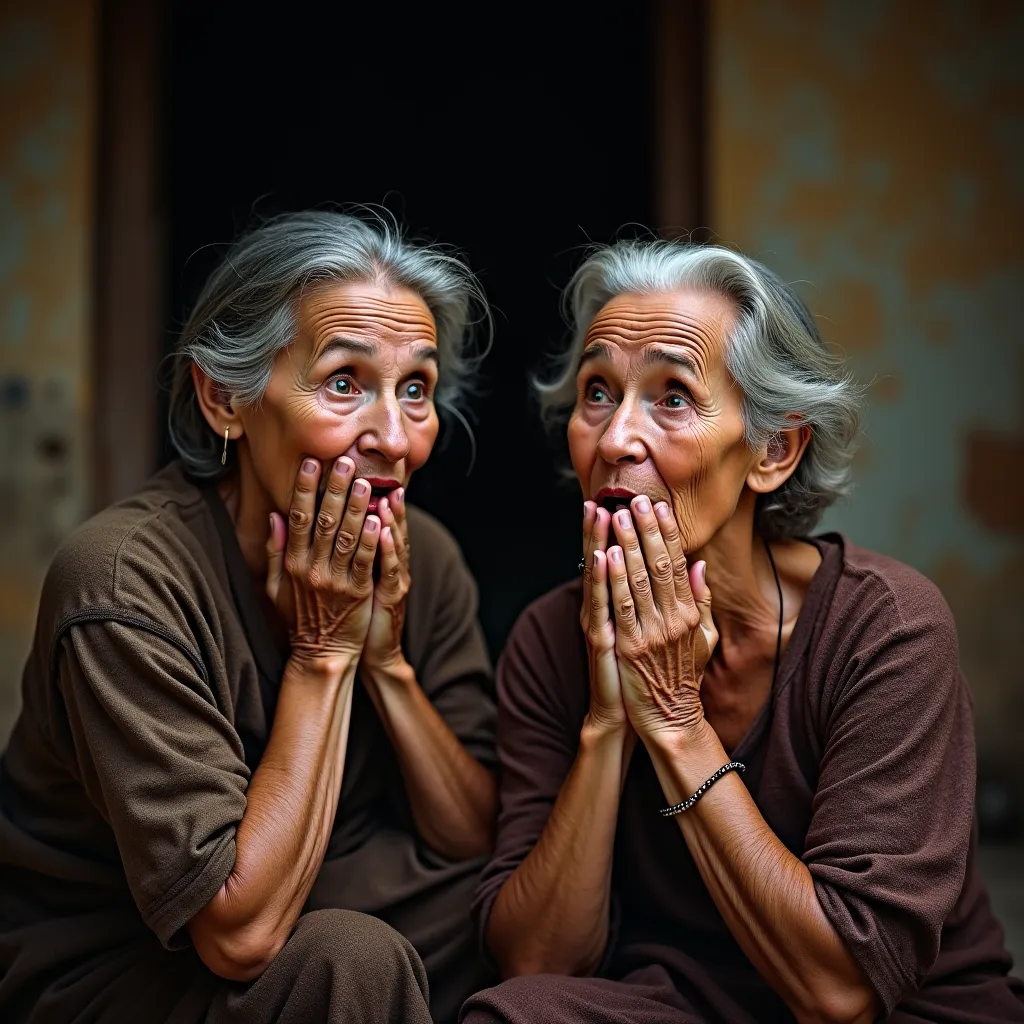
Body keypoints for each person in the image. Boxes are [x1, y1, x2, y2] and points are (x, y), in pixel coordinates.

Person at [464, 239, 1024, 1023]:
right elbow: (537, 958)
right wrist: (608, 723)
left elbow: (842, 992)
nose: (616, 437)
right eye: (597, 392)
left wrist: (674, 719)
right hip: (680, 1001)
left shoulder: (885, 628)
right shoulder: (551, 639)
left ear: (772, 451)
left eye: (672, 397)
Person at [0, 211, 498, 1024]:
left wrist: (386, 665)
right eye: (344, 382)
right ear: (225, 397)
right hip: (111, 959)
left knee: (513, 910)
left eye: (416, 390)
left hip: (323, 887)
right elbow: (239, 934)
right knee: (353, 962)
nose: (395, 439)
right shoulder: (124, 582)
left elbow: (473, 836)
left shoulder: (420, 555)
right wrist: (324, 651)